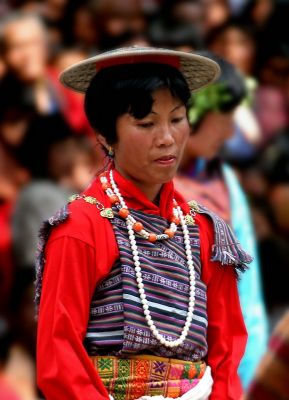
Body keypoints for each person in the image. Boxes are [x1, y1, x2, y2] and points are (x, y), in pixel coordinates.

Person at [36, 47, 251, 400]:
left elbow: (226, 354)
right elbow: (60, 362)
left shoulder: (206, 231)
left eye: (177, 118)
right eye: (146, 123)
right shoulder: (81, 228)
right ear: (105, 136)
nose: (166, 137)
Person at [175, 53, 268, 390]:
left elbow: (248, 296)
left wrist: (248, 377)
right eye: (225, 116)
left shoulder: (224, 181)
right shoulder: (134, 185)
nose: (230, 132)